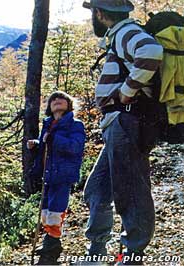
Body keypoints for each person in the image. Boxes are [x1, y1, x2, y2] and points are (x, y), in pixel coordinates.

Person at [82, 0, 163, 264]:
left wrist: (126, 92)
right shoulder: (118, 35)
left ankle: (133, 254)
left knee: (131, 190)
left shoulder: (125, 32)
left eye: (93, 13)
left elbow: (151, 51)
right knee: (96, 189)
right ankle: (96, 250)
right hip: (118, 124)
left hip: (126, 121)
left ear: (100, 14)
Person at [27, 91, 86, 265]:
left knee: (56, 210)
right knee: (46, 211)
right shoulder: (48, 125)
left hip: (63, 174)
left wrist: (53, 138)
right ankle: (50, 243)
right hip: (48, 175)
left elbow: (75, 147)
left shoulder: (75, 125)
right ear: (49, 107)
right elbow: (47, 146)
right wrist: (37, 144)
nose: (57, 101)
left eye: (61, 99)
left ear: (69, 104)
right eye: (53, 99)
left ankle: (51, 250)